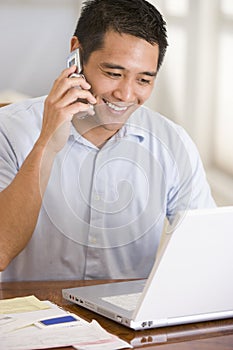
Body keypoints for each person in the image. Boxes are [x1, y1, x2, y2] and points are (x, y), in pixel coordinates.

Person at [0, 0, 215, 282]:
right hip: (30, 316)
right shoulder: (9, 130)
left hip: (128, 322)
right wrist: (47, 144)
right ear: (76, 55)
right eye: (113, 74)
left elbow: (208, 251)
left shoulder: (171, 142)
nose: (126, 95)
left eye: (143, 80)